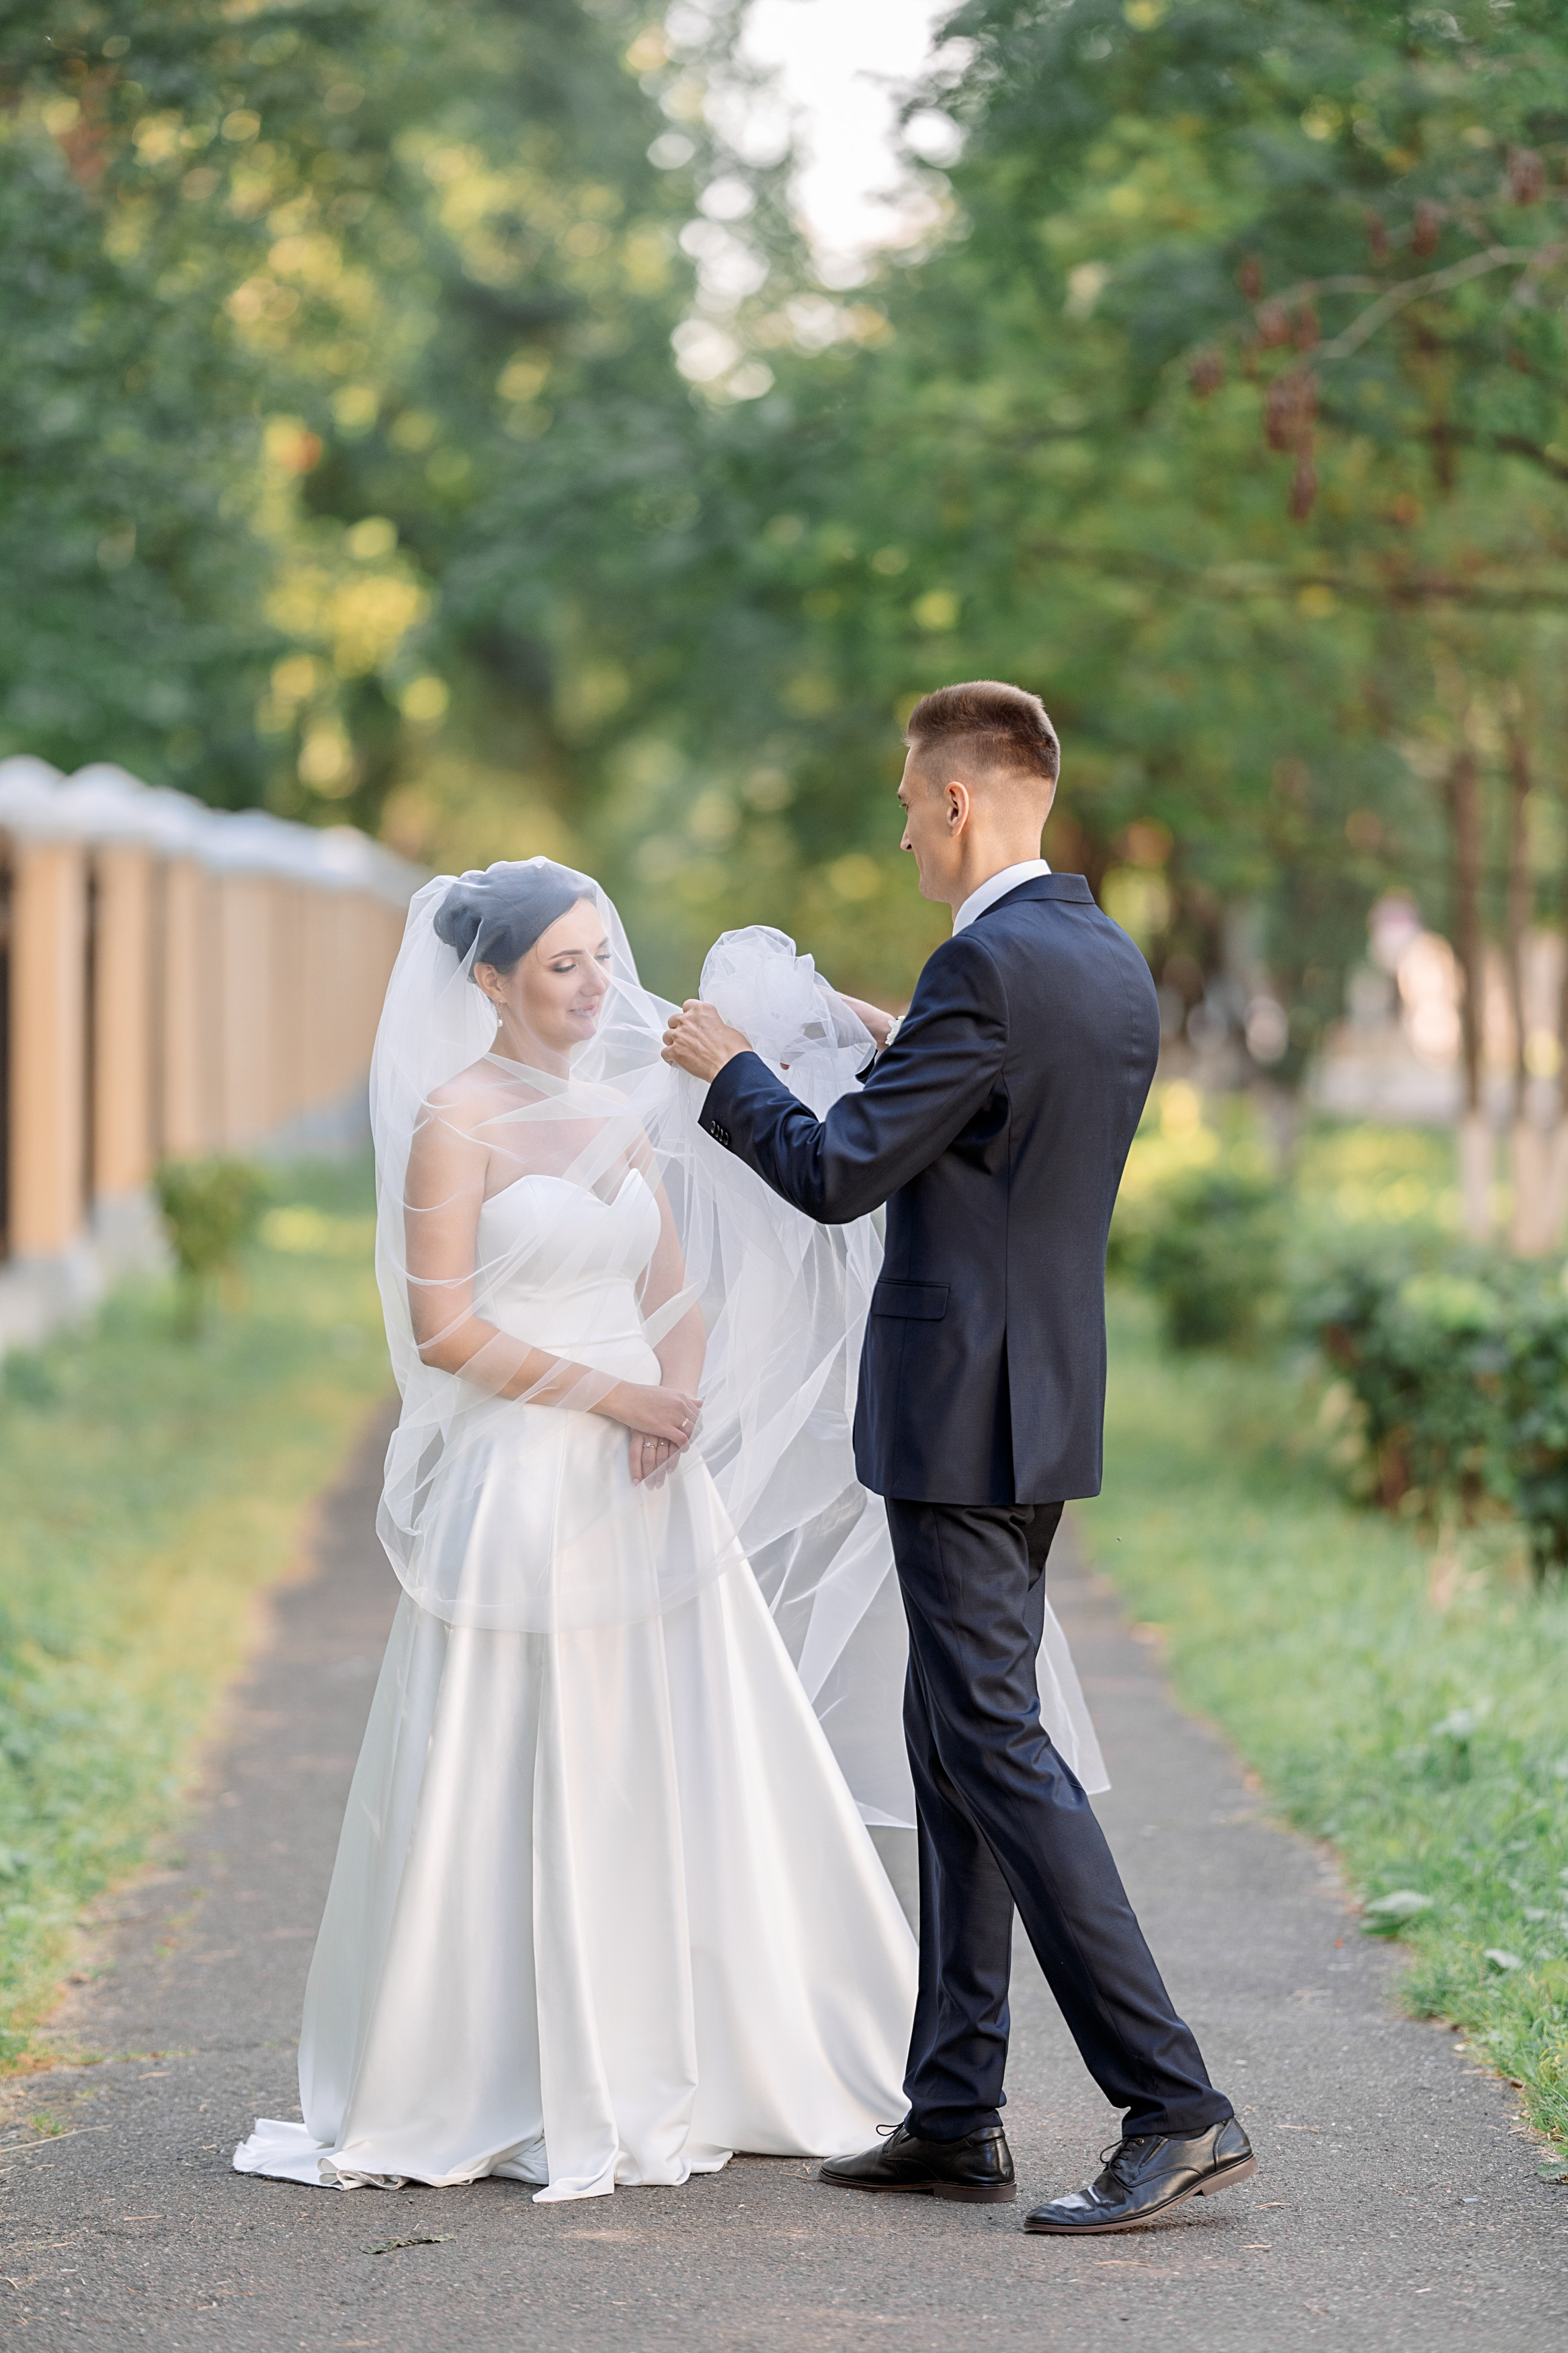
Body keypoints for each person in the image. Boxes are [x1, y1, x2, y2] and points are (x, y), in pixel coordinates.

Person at [662, 680, 1255, 2235]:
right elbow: (1001, 1126)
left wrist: (729, 1070)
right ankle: (953, 2108)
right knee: (950, 1739)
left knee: (992, 1741)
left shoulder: (979, 967)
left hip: (956, 1410)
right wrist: (898, 1037)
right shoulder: (1094, 952)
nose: (903, 834)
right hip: (1041, 1400)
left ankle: (1173, 2098)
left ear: (957, 800)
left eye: (907, 806)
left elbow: (838, 1173)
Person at [234, 861, 919, 2201]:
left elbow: (671, 1290)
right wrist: (620, 1398)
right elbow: (446, 1328)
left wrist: (680, 1397)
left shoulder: (614, 1108)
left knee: (678, 1751)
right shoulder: (455, 1119)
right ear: (492, 983)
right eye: (563, 964)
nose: (596, 984)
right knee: (519, 1762)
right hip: (525, 1485)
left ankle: (710, 2046)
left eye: (602, 955)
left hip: (647, 1482)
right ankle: (497, 2063)